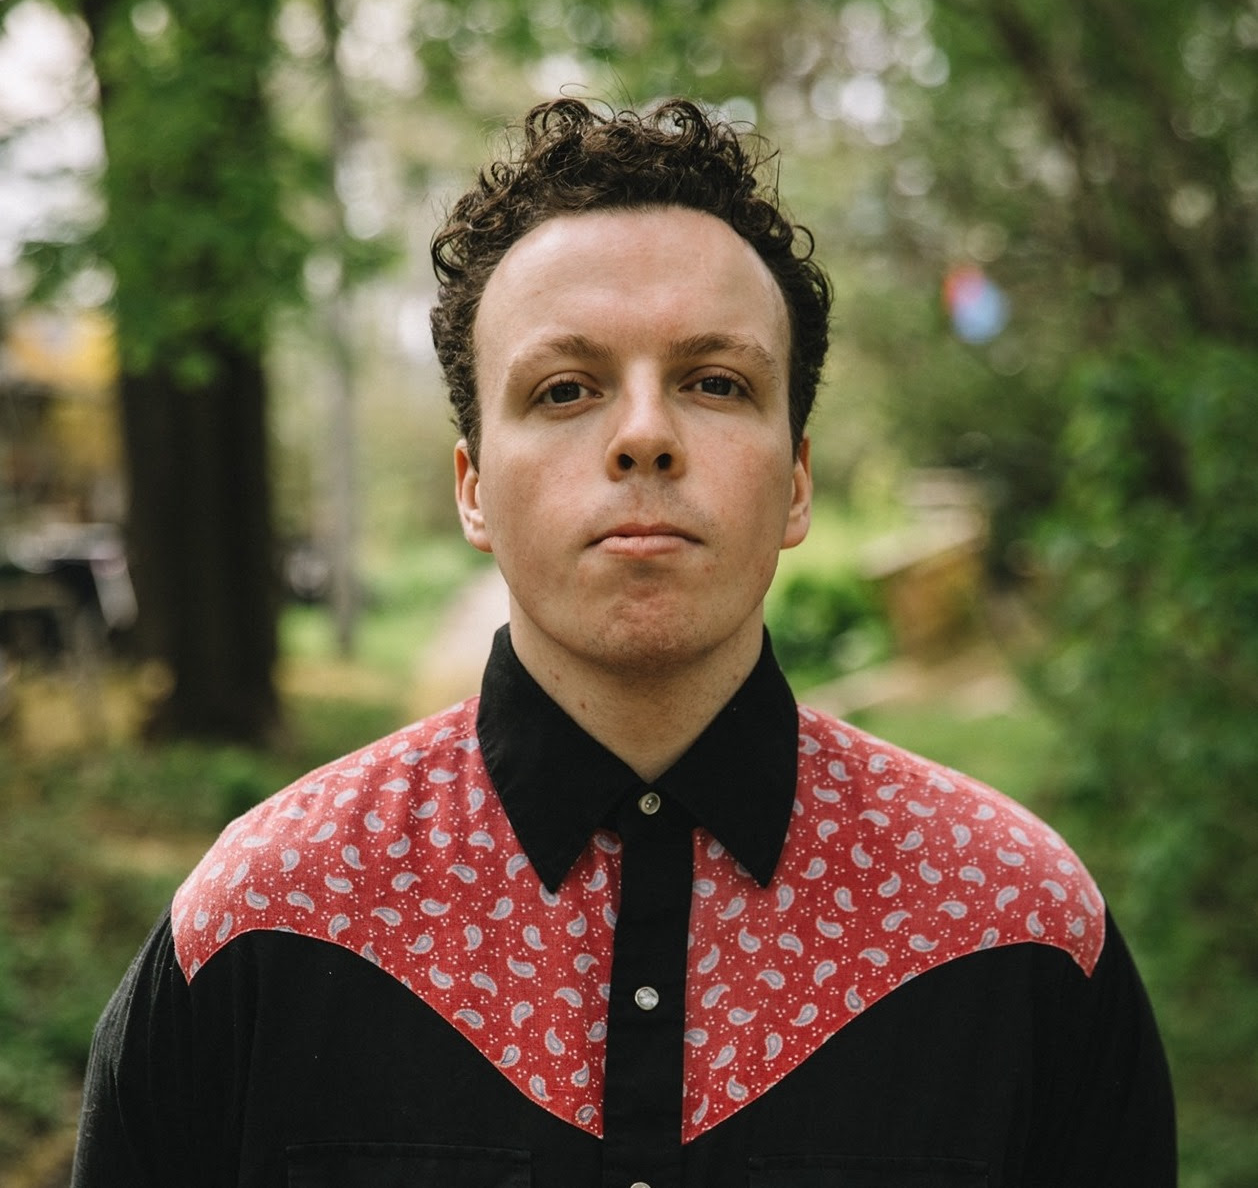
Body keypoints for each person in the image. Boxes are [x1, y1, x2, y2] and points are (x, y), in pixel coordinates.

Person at [72, 98, 1175, 1187]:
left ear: (796, 480)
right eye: (565, 389)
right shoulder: (266, 924)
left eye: (715, 382)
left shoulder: (1015, 928)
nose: (644, 435)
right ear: (472, 488)